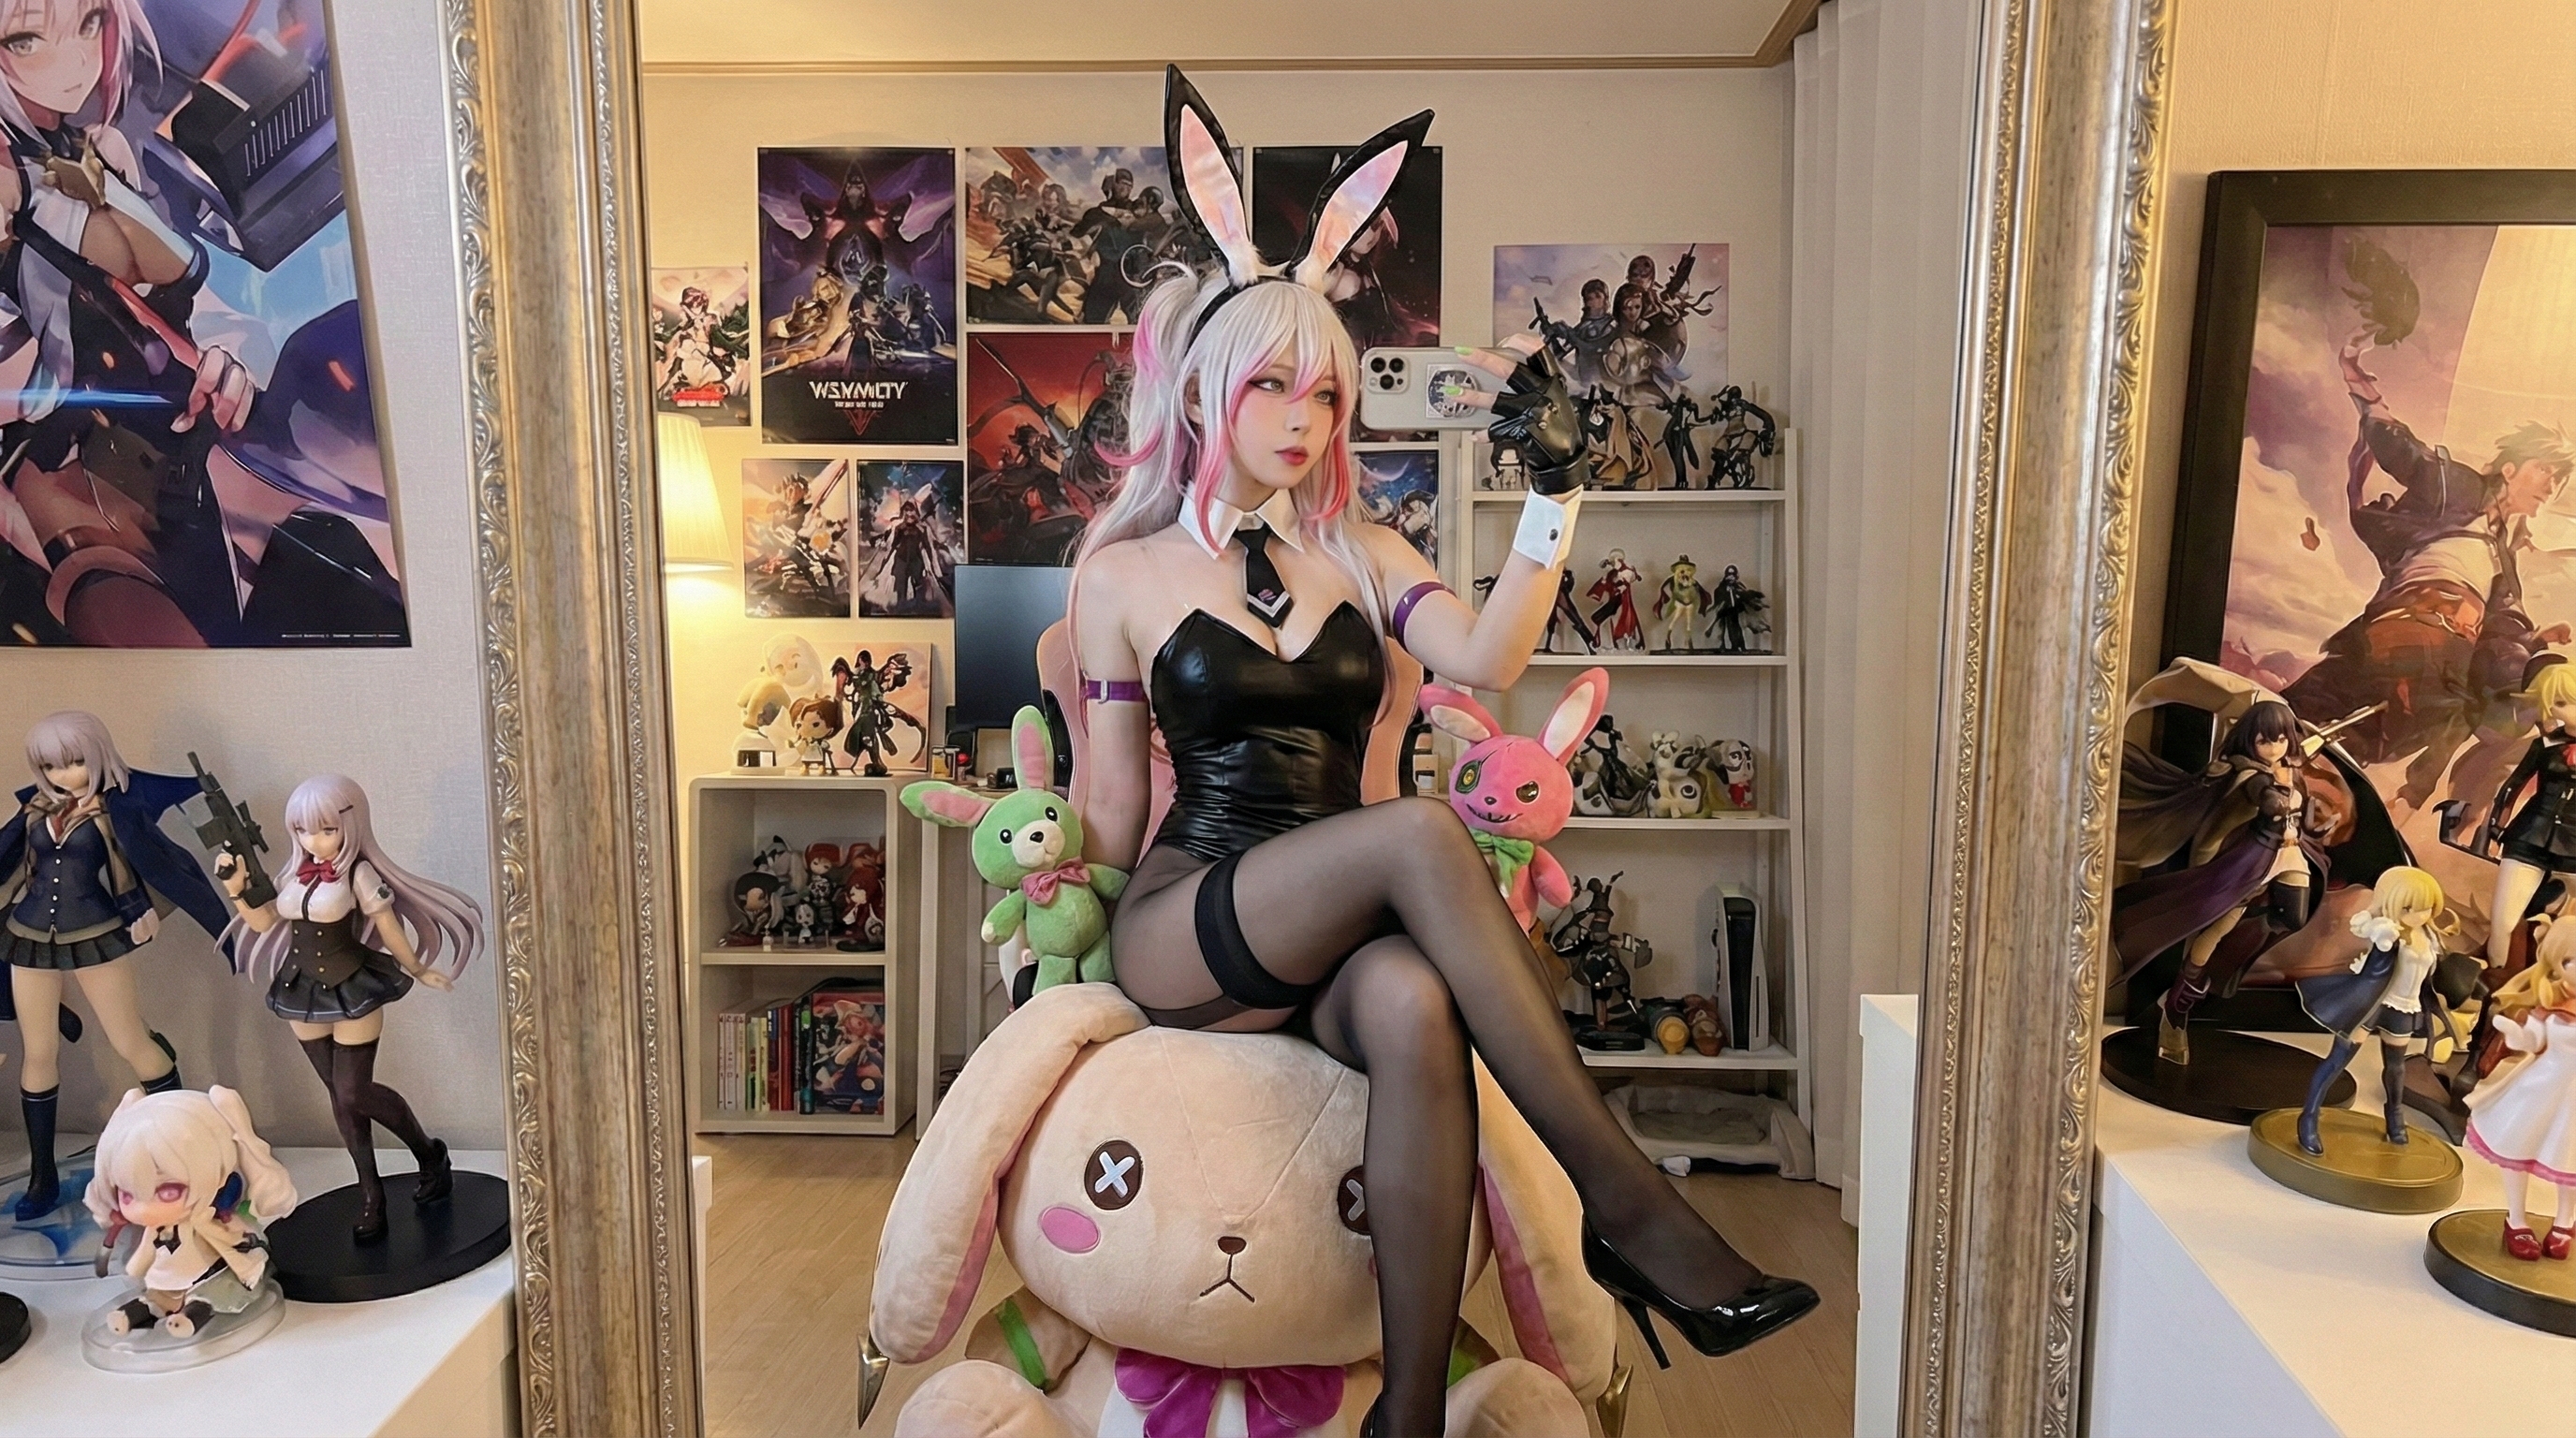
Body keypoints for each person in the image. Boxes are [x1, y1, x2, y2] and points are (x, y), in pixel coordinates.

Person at [1063, 72, 1814, 1438]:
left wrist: (1554, 497)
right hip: (1192, 919)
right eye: (1272, 385)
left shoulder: (1363, 553)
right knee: (1417, 830)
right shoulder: (1124, 574)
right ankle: (1630, 1205)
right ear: (1209, 391)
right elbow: (1113, 797)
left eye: (1325, 394)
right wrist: (1056, 936)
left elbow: (1491, 657)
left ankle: (1406, 1416)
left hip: (1339, 930)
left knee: (1414, 1002)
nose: (1303, 418)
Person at [2282, 328, 2576, 814]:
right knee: (2298, 714)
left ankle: (2348, 799)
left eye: (2559, 479)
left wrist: (2537, 647)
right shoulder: (2457, 490)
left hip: (2445, 653)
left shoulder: (2504, 561)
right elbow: (2405, 454)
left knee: (2418, 720)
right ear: (2510, 469)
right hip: (2404, 624)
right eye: (2544, 470)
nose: (2551, 485)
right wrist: (2361, 385)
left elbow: (2504, 630)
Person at [218, 775, 484, 1242]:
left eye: (327, 830)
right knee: (339, 1098)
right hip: (300, 990)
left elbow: (389, 925)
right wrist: (237, 889)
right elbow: (263, 921)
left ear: (351, 824)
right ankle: (370, 1192)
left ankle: (429, 1154)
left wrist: (418, 968)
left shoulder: (359, 875)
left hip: (351, 986)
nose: (314, 841)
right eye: (302, 830)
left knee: (353, 1091)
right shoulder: (292, 875)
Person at [2112, 700, 2320, 1063]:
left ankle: (2246, 918)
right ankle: (2178, 1002)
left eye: (2281, 740)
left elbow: (2304, 816)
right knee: (2216, 930)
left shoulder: (2289, 771)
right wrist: (2276, 794)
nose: (2274, 748)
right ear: (2250, 742)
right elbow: (2265, 799)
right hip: (2255, 858)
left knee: (2293, 917)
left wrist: (2313, 819)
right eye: (2264, 741)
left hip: (2290, 856)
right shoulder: (2251, 775)